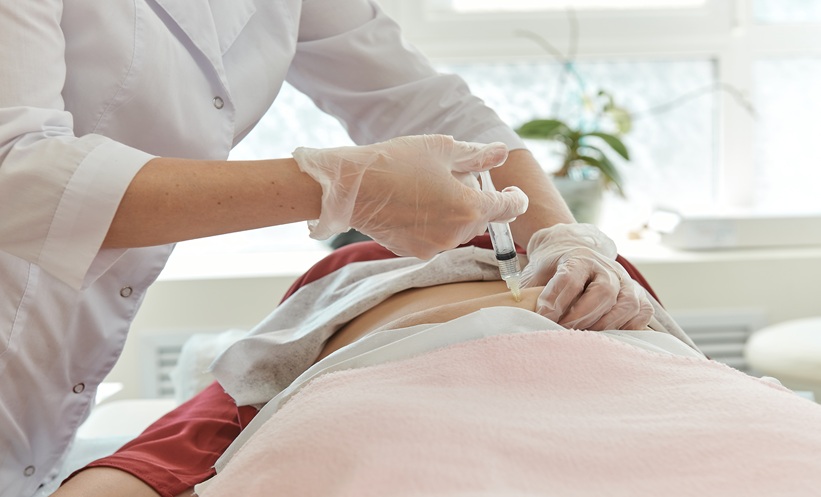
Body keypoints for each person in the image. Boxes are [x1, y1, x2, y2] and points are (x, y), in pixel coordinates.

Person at [0, 1, 652, 495]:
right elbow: (15, 176)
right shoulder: (342, 292)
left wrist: (566, 238)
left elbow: (425, 105)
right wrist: (336, 186)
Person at [55, 232, 678, 497]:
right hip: (398, 395)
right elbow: (229, 401)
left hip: (648, 387)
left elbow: (206, 421)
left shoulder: (597, 264)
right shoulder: (353, 267)